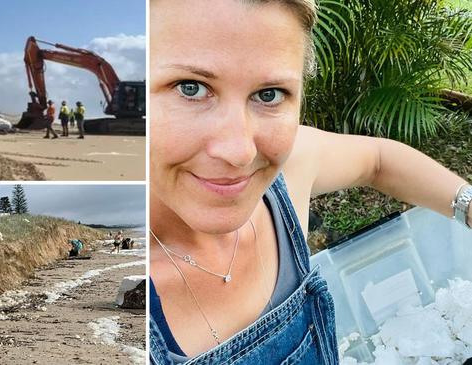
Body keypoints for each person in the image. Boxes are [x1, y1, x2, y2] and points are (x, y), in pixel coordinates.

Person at [149, 1, 472, 364]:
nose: (238, 152)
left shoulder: (289, 172)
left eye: (269, 94)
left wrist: (468, 205)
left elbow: (379, 160)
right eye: (190, 88)